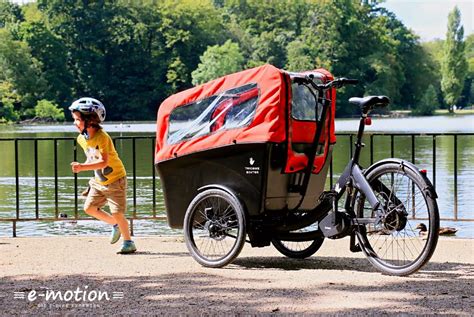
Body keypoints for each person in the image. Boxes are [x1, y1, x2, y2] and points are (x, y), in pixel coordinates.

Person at [69, 97, 136, 254]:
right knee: (89, 208)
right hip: (99, 181)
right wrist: (83, 164)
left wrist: (83, 167)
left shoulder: (102, 137)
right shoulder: (82, 139)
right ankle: (115, 224)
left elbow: (103, 162)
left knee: (117, 212)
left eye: (77, 119)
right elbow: (92, 157)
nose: (75, 123)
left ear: (90, 120)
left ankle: (128, 242)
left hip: (115, 180)